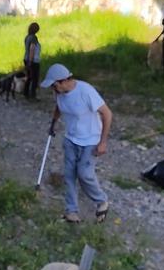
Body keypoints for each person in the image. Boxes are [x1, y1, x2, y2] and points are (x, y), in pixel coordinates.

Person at [41, 63, 112, 224]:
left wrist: (103, 142)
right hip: (71, 139)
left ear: (63, 81)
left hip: (91, 140)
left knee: (85, 174)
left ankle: (102, 201)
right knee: (69, 175)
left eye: (54, 85)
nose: (53, 89)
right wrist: (53, 123)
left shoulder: (86, 91)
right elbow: (59, 107)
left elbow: (107, 114)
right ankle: (71, 211)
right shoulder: (59, 93)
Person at [23, 22, 42, 99]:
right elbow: (32, 48)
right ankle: (32, 95)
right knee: (34, 79)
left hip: (26, 58)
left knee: (29, 77)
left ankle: (26, 92)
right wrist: (30, 61)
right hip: (33, 60)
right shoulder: (34, 38)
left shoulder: (27, 37)